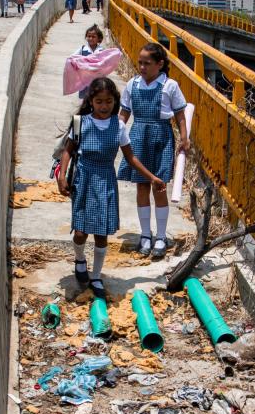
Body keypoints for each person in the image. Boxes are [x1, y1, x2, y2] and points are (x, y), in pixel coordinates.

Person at [58, 78, 166, 299]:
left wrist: (152, 178)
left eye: (108, 101)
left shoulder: (119, 127)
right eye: (99, 101)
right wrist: (62, 176)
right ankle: (80, 259)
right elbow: (68, 151)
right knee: (80, 232)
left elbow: (131, 157)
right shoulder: (81, 123)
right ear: (91, 101)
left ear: (115, 101)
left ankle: (96, 275)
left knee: (101, 234)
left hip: (106, 181)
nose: (104, 106)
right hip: (84, 181)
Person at [117, 43, 189, 259]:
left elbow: (180, 114)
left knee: (159, 187)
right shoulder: (132, 85)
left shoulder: (170, 86)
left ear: (160, 64)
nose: (142, 67)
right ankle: (145, 234)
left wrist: (184, 138)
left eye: (147, 63)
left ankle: (160, 236)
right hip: (138, 136)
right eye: (140, 62)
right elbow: (124, 114)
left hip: (161, 138)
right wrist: (115, 133)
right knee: (141, 188)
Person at [72, 24, 104, 99]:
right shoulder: (82, 49)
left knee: (96, 98)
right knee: (85, 100)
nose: (90, 38)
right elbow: (73, 58)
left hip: (97, 81)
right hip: (84, 81)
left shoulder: (101, 51)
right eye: (89, 36)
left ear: (99, 39)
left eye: (93, 37)